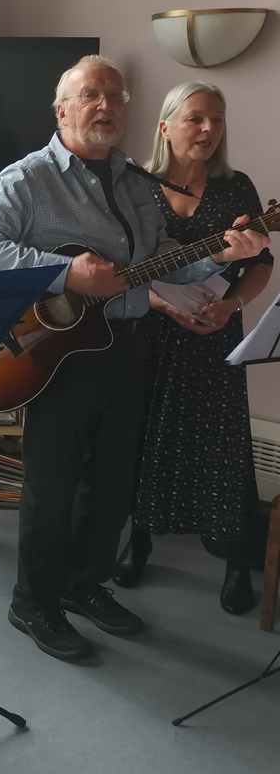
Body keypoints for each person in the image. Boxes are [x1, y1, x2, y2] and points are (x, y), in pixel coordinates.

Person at [0, 55, 270, 661]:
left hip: (129, 349)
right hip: (57, 356)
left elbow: (165, 258)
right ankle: (34, 601)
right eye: (91, 95)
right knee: (52, 486)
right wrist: (63, 271)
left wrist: (224, 254)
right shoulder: (27, 178)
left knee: (110, 485)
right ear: (63, 110)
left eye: (116, 97)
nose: (105, 106)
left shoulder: (133, 181)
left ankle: (83, 584)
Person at [113, 82, 273, 614]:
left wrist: (231, 307)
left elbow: (261, 265)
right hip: (149, 333)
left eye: (218, 120)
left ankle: (232, 560)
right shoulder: (135, 185)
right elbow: (124, 267)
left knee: (222, 448)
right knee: (145, 436)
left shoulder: (236, 187)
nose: (209, 130)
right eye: (196, 118)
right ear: (165, 125)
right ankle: (140, 542)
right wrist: (161, 306)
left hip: (214, 335)